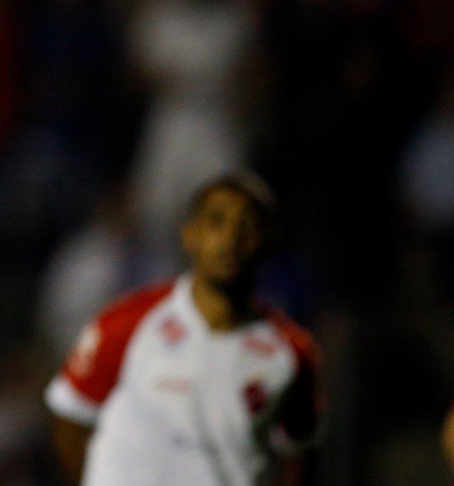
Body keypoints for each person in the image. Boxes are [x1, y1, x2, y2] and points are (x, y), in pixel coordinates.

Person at [45, 172, 322, 485]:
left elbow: (299, 453)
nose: (231, 239)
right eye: (216, 222)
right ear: (190, 235)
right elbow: (70, 416)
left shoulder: (290, 351)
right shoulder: (126, 323)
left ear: (268, 240)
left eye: (247, 225)